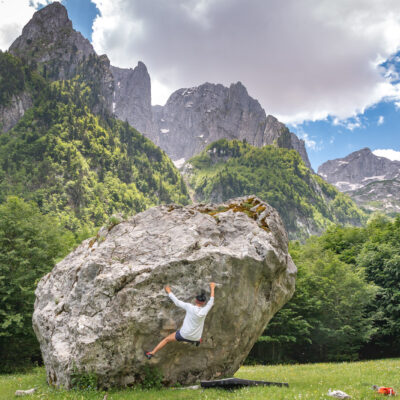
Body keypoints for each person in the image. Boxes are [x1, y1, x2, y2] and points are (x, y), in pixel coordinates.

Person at [145, 282, 216, 359]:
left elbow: (177, 302)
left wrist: (169, 291)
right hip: (196, 337)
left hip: (183, 334)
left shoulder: (189, 307)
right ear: (204, 303)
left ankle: (151, 353)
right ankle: (196, 341)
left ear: (196, 301)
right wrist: (212, 287)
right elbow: (211, 302)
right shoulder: (204, 311)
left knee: (166, 340)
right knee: (197, 336)